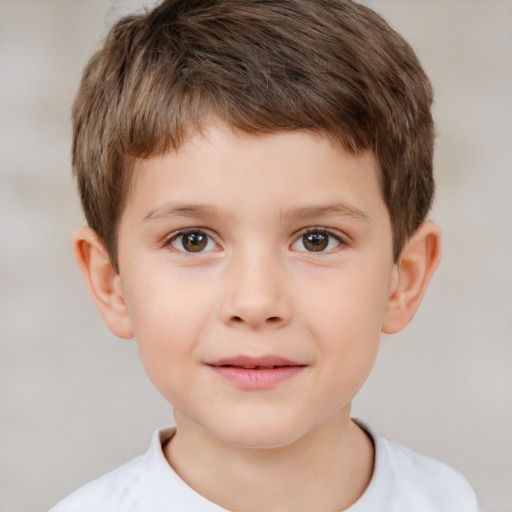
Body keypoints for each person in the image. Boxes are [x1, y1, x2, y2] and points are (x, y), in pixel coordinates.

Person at [50, 0, 479, 510]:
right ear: (110, 283)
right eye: (193, 240)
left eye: (317, 239)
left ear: (402, 279)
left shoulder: (450, 500)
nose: (256, 303)